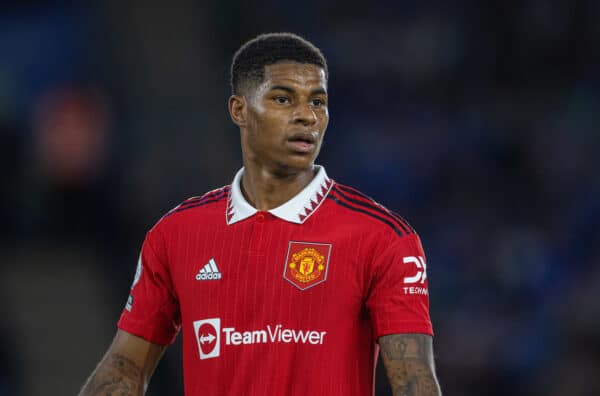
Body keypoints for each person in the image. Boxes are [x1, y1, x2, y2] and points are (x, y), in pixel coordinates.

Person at [79, 32, 442, 396]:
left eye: (318, 102)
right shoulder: (175, 234)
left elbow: (413, 381)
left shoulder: (382, 237)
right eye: (283, 99)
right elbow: (125, 366)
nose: (306, 117)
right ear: (239, 110)